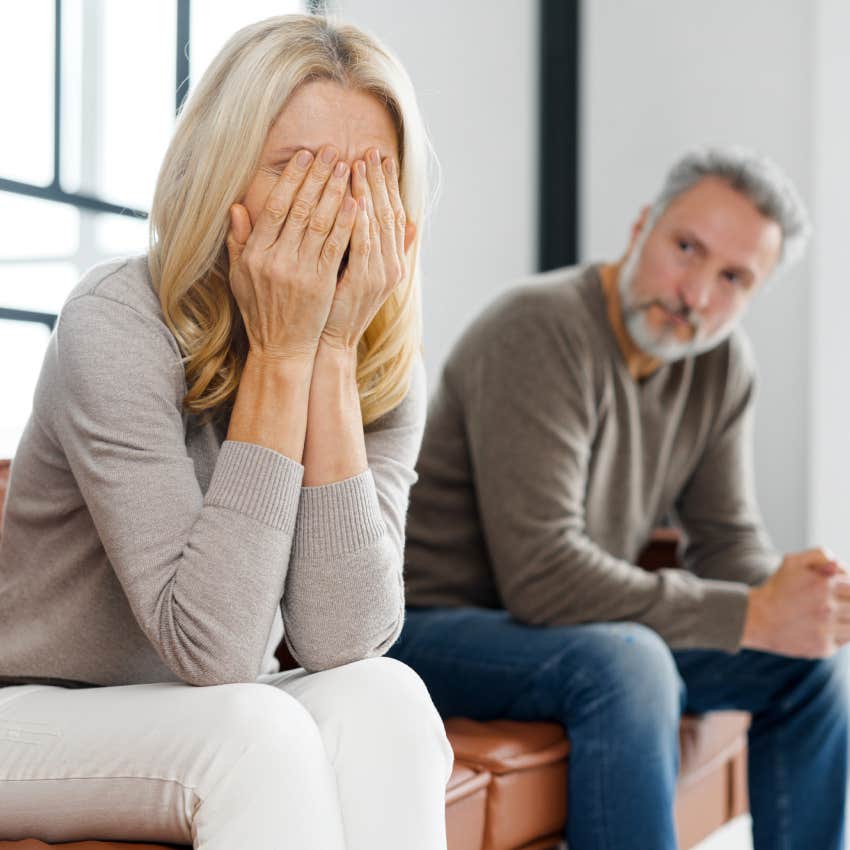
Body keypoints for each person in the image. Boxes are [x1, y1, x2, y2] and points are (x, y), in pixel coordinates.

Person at [0, 14, 452, 850]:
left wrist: (331, 355)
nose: (337, 211)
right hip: (33, 709)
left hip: (208, 698)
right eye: (299, 169)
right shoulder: (116, 321)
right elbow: (212, 647)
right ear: (224, 177)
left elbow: (344, 642)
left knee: (385, 697)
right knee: (257, 731)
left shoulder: (382, 357)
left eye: (369, 177)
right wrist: (283, 355)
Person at [388, 147, 850, 850]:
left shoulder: (721, 364)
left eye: (733, 277)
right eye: (686, 248)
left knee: (810, 661)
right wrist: (751, 613)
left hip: (570, 628)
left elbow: (725, 538)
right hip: (435, 626)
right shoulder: (537, 330)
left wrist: (808, 602)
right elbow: (542, 577)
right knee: (630, 662)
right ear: (642, 228)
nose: (694, 293)